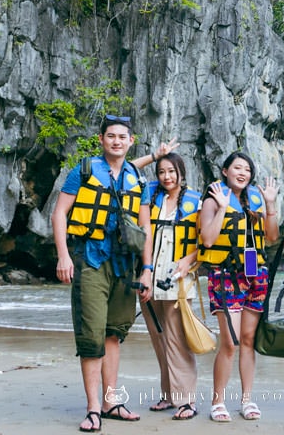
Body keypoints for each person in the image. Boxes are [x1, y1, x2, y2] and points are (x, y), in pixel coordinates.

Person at [51, 114, 151, 433]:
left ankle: (111, 402)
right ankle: (93, 408)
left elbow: (145, 228)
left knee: (113, 333)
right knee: (92, 336)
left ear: (131, 141)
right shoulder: (83, 171)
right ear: (101, 139)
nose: (116, 141)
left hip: (124, 265)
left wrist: (147, 270)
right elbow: (59, 214)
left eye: (122, 136)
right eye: (111, 136)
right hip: (89, 258)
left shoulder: (138, 177)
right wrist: (63, 256)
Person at [197, 151, 280, 423]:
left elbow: (271, 237)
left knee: (247, 340)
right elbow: (207, 240)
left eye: (247, 169)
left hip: (256, 275)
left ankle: (246, 399)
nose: (242, 173)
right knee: (230, 343)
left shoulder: (255, 199)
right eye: (237, 168)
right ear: (225, 171)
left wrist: (269, 204)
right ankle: (217, 400)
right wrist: (221, 207)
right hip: (225, 275)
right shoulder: (212, 198)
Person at [137, 153, 202, 421]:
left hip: (178, 277)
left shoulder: (196, 201)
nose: (167, 177)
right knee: (158, 336)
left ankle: (187, 399)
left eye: (172, 171)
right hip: (149, 274)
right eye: (162, 172)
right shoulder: (151, 198)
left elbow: (205, 239)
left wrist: (189, 260)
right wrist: (146, 272)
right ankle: (169, 394)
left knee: (177, 337)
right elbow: (144, 235)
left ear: (181, 172)